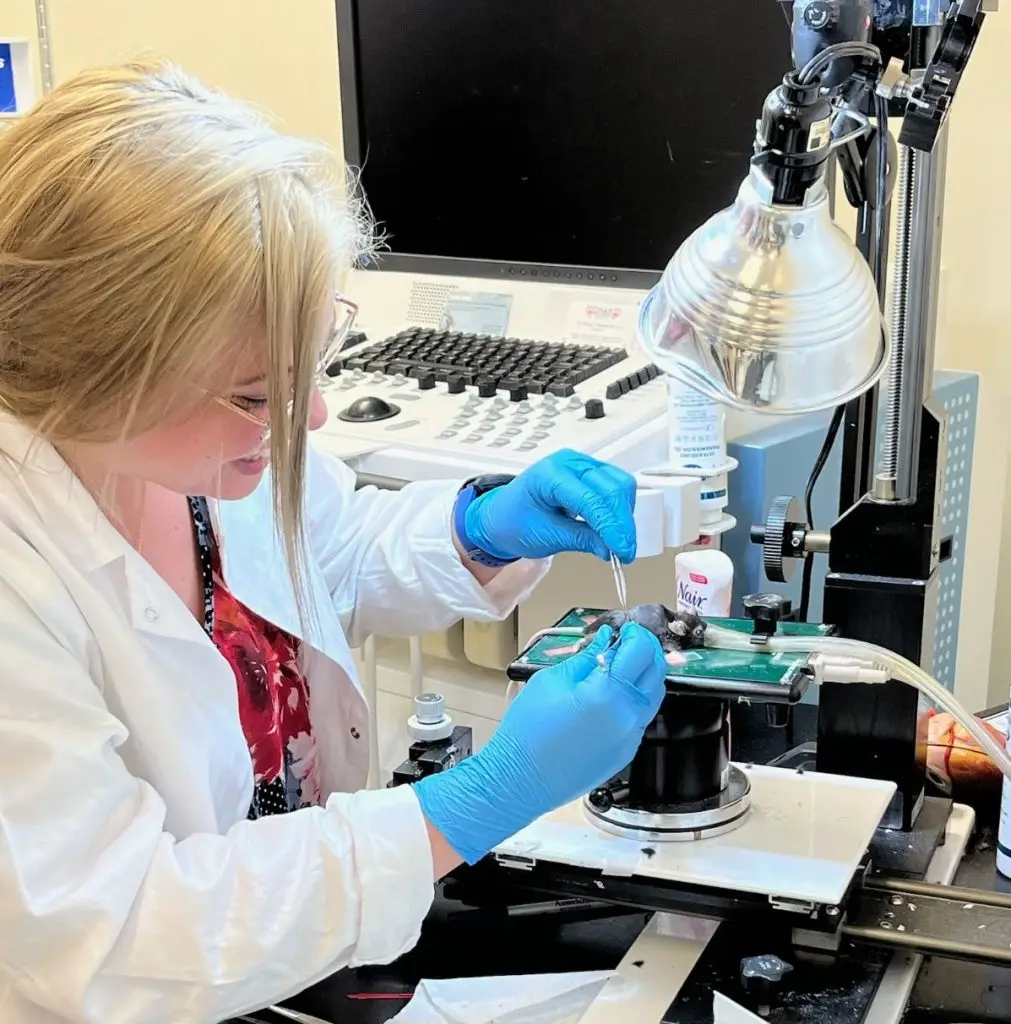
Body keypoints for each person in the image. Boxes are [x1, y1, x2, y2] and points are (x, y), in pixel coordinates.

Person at [0, 60, 669, 1024]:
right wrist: (476, 801)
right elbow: (113, 938)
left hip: (285, 956)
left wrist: (480, 528)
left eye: (313, 361)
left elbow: (332, 555)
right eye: (254, 392)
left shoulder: (188, 449)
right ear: (94, 367)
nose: (306, 416)